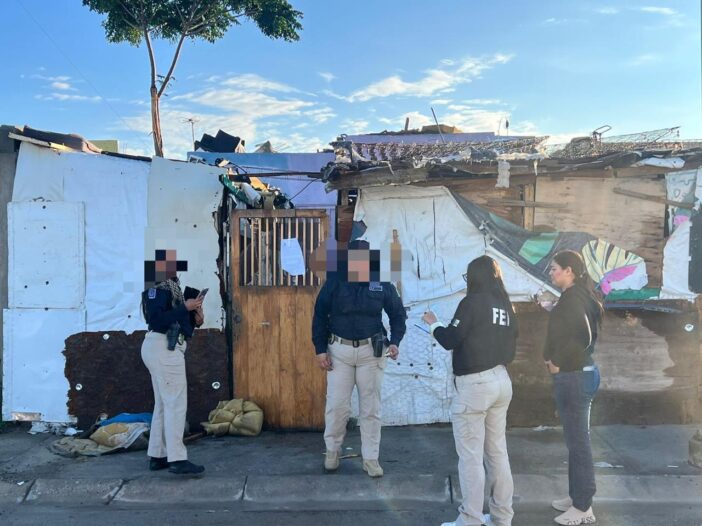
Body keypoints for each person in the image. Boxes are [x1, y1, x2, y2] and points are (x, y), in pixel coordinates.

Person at [422, 255, 517, 526]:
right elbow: (512, 348)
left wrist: (433, 323)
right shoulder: (506, 306)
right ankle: (501, 517)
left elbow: (450, 339)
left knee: (471, 457)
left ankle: (470, 519)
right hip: (501, 380)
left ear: (474, 277)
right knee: (497, 453)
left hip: (475, 385)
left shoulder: (472, 303)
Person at [312, 240, 407, 477]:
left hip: (371, 353)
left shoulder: (381, 282)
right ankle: (332, 452)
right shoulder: (335, 280)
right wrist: (320, 349)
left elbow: (398, 314)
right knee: (336, 407)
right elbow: (320, 314)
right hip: (339, 352)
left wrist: (395, 341)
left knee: (371, 409)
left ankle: (371, 459)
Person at [544, 250, 604, 525]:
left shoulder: (573, 298)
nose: (551, 273)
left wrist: (557, 361)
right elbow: (571, 328)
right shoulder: (576, 296)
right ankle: (576, 496)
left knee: (579, 443)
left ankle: (583, 508)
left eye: (554, 268)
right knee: (575, 441)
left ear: (569, 271)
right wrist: (552, 310)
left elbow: (582, 335)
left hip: (575, 376)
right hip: (579, 374)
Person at [141, 276, 205, 476]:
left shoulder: (173, 292)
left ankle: (158, 455)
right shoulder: (156, 290)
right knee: (175, 404)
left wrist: (196, 318)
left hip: (164, 348)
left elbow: (178, 323)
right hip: (164, 349)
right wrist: (185, 307)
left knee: (163, 405)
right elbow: (156, 320)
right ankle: (177, 459)